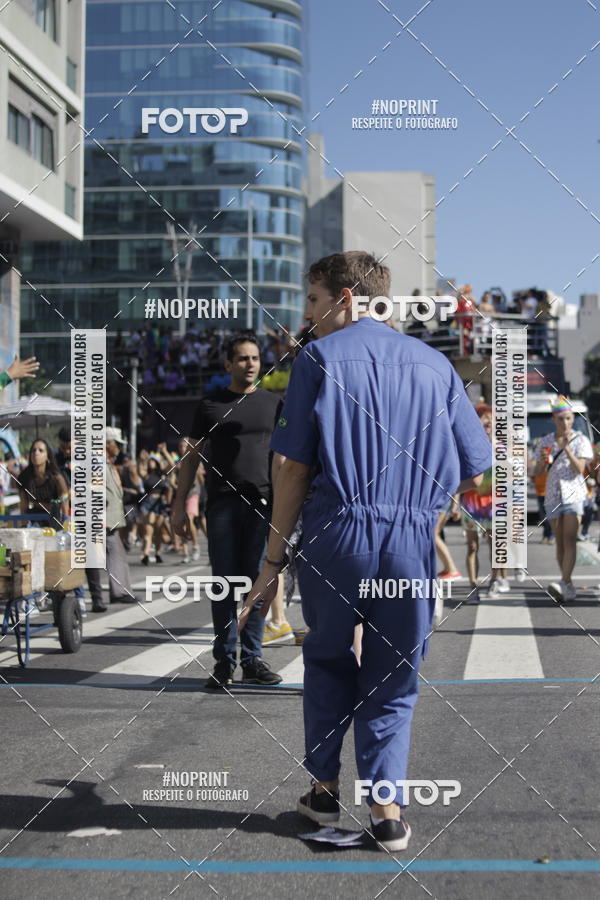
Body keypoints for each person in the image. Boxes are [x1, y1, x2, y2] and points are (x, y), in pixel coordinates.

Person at [239, 251, 491, 851]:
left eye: (313, 299)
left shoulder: (319, 359)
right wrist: (421, 502)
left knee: (328, 658)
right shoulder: (436, 365)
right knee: (395, 674)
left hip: (338, 535)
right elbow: (478, 470)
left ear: (346, 300)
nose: (307, 314)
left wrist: (271, 564)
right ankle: (388, 812)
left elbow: (292, 469)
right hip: (409, 541)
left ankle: (324, 792)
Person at [172, 335, 283, 688]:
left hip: (262, 504)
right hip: (220, 503)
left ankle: (252, 660)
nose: (250, 364)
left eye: (254, 358)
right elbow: (191, 460)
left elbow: (286, 459)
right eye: (242, 358)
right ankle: (224, 664)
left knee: (257, 584)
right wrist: (178, 504)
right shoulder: (209, 405)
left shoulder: (274, 404)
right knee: (224, 585)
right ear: (228, 365)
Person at [534, 396, 594, 602]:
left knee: (570, 539)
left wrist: (566, 447)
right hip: (552, 494)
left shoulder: (580, 439)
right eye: (560, 419)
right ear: (553, 419)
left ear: (573, 419)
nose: (565, 423)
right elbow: (537, 471)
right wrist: (541, 462)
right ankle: (566, 584)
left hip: (574, 493)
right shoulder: (546, 440)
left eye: (568, 419)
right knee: (559, 541)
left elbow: (580, 469)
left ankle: (565, 581)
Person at [86, 428, 140, 608]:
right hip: (104, 519)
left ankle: (118, 591)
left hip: (110, 518)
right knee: (113, 553)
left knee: (115, 553)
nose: (119, 448)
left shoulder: (106, 463)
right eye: (117, 444)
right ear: (107, 444)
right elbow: (93, 489)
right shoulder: (98, 462)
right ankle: (118, 592)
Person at [19, 439, 69, 526]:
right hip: (34, 521)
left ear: (47, 456)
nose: (36, 453)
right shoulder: (24, 478)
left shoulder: (57, 478)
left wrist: (66, 525)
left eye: (40, 450)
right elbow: (23, 507)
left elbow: (64, 504)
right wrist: (24, 528)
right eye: (33, 450)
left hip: (54, 520)